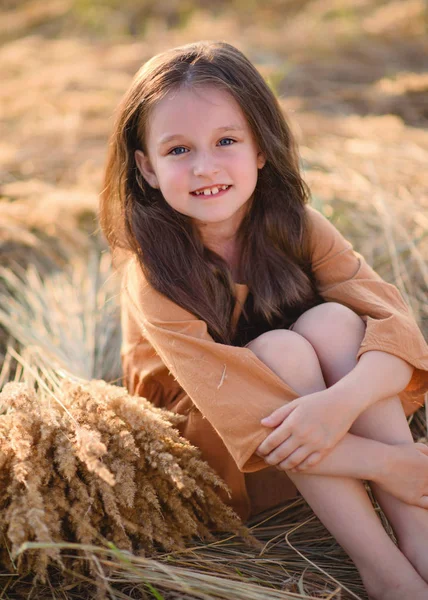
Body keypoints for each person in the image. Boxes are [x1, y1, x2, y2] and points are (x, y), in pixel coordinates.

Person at [99, 40, 428, 599]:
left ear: (259, 149)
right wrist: (389, 461)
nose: (205, 167)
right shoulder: (153, 274)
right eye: (178, 151)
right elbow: (242, 416)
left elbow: (396, 330)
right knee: (281, 349)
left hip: (322, 433)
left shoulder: (295, 223)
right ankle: (386, 574)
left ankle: (419, 534)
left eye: (226, 140)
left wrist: (339, 404)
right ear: (147, 168)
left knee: (333, 322)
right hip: (230, 456)